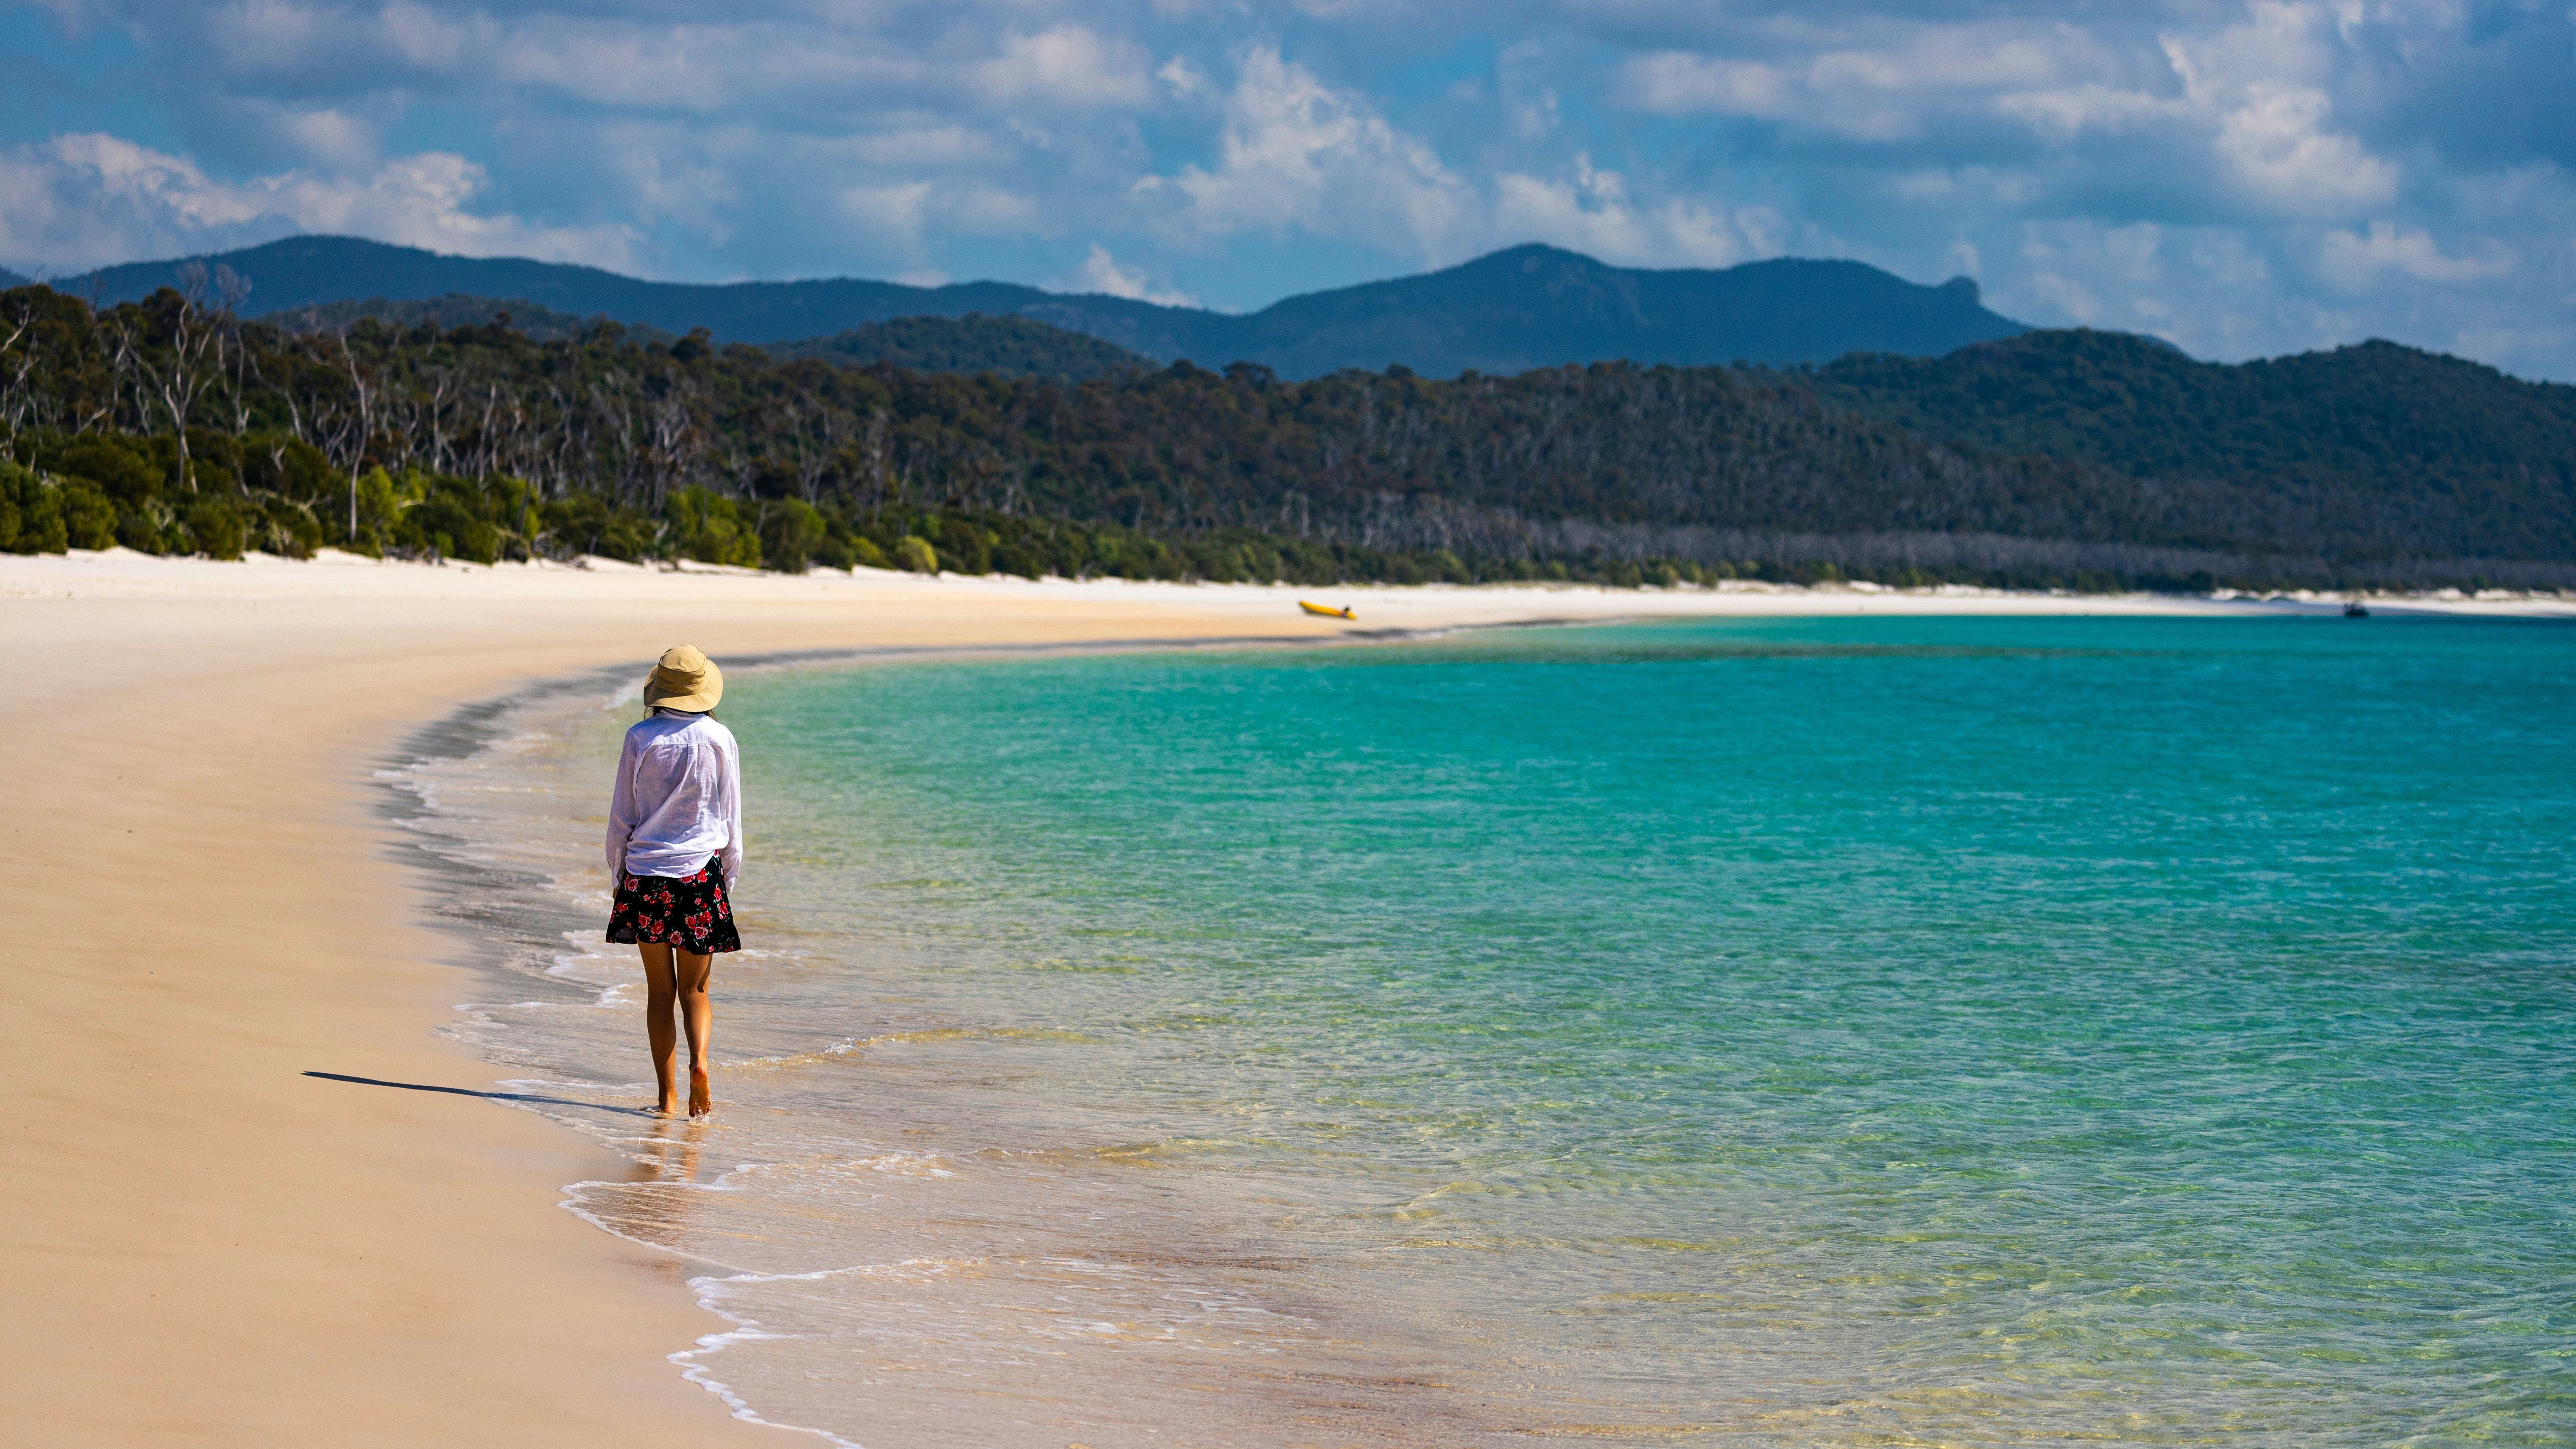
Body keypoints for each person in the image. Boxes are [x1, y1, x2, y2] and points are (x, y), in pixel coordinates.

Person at [604, 645, 744, 1117]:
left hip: (647, 875)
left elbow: (622, 818)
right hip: (701, 875)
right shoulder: (721, 738)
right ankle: (699, 1064)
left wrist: (619, 876)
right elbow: (731, 822)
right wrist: (725, 882)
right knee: (696, 991)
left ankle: (665, 1101)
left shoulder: (639, 737)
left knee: (660, 993)